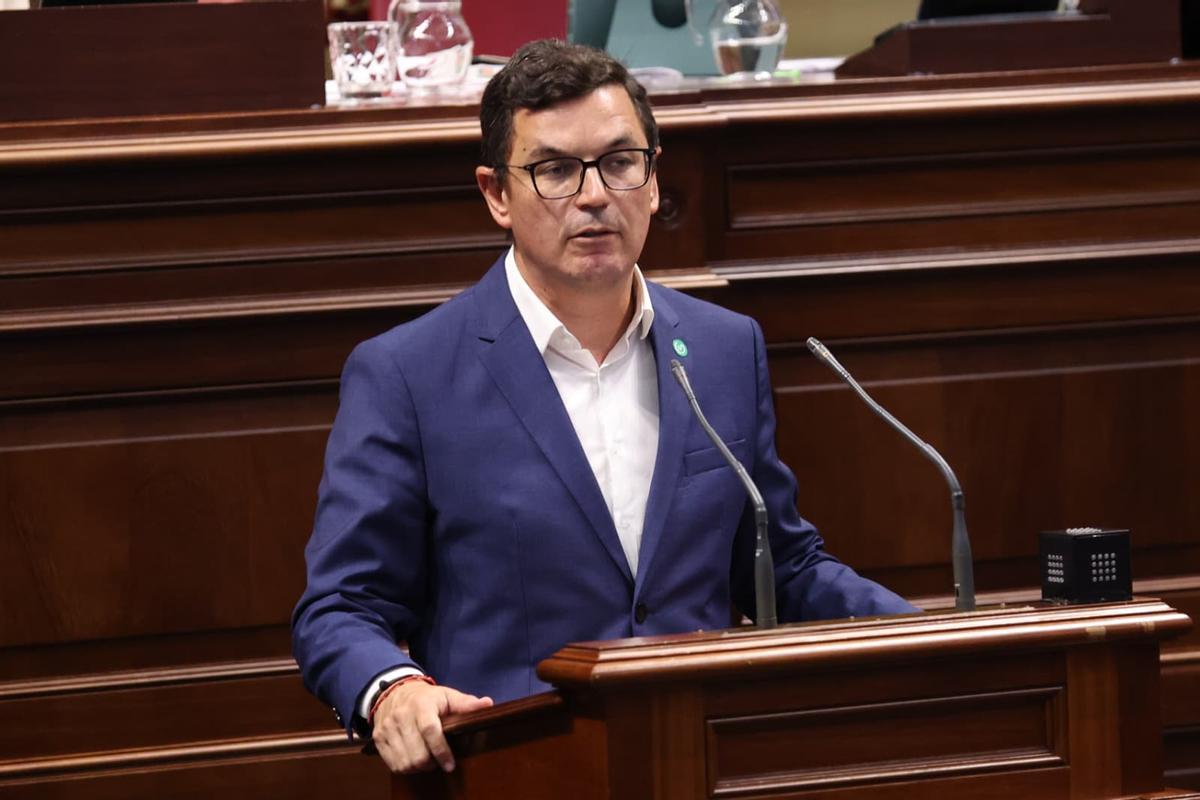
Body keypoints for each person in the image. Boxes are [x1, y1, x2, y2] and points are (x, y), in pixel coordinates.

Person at [292, 38, 916, 776]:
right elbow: (341, 605)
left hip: (706, 762)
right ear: (497, 194)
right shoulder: (408, 373)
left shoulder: (722, 348)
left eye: (620, 163)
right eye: (555, 170)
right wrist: (391, 691)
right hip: (517, 772)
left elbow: (778, 564)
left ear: (653, 180)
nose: (594, 195)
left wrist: (933, 635)